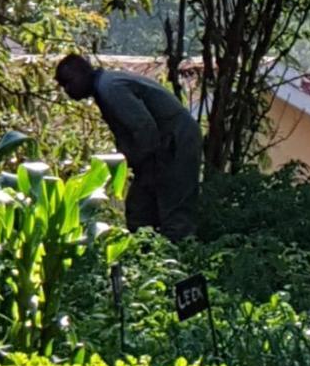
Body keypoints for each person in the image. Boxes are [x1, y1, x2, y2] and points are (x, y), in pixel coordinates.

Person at [55, 54, 201, 241]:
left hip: (174, 141)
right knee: (140, 212)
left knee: (175, 210)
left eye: (68, 83)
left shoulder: (110, 88)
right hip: (163, 145)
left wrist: (143, 164)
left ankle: (180, 257)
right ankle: (151, 255)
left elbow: (144, 128)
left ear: (82, 74)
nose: (67, 90)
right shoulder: (106, 86)